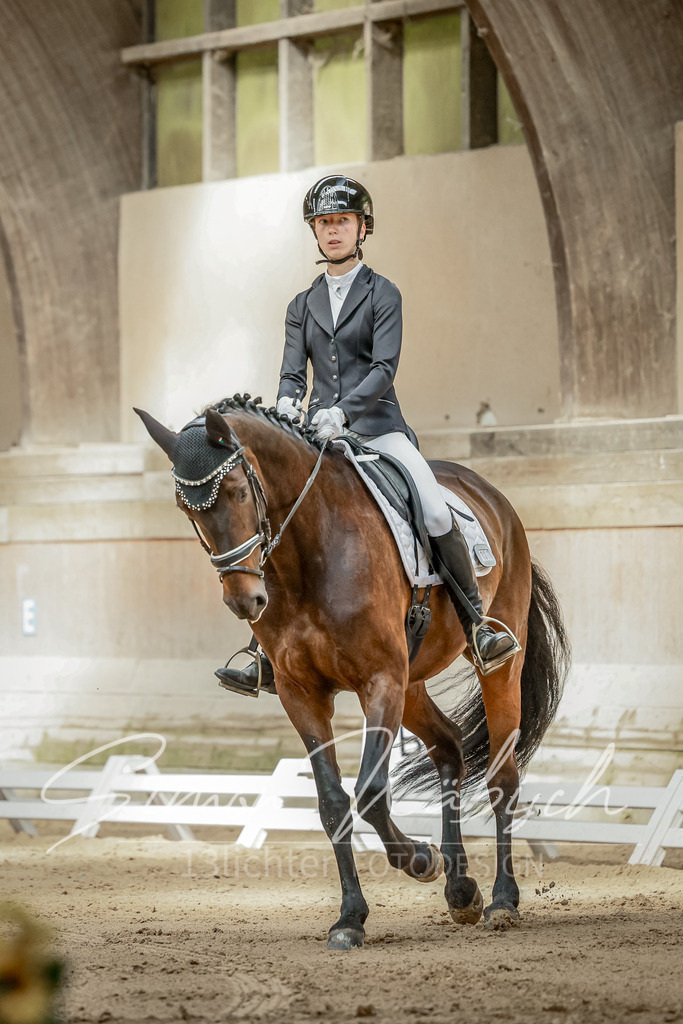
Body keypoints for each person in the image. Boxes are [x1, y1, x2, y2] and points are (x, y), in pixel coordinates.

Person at [216, 175, 518, 696]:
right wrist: (290, 403)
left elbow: (383, 368)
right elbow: (293, 372)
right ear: (315, 231)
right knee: (273, 515)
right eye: (324, 223)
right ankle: (265, 651)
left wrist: (343, 411)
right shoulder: (301, 304)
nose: (332, 231)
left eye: (342, 222)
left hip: (378, 429)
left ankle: (478, 624)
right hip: (316, 437)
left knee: (434, 507)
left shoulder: (384, 293)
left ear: (361, 228)